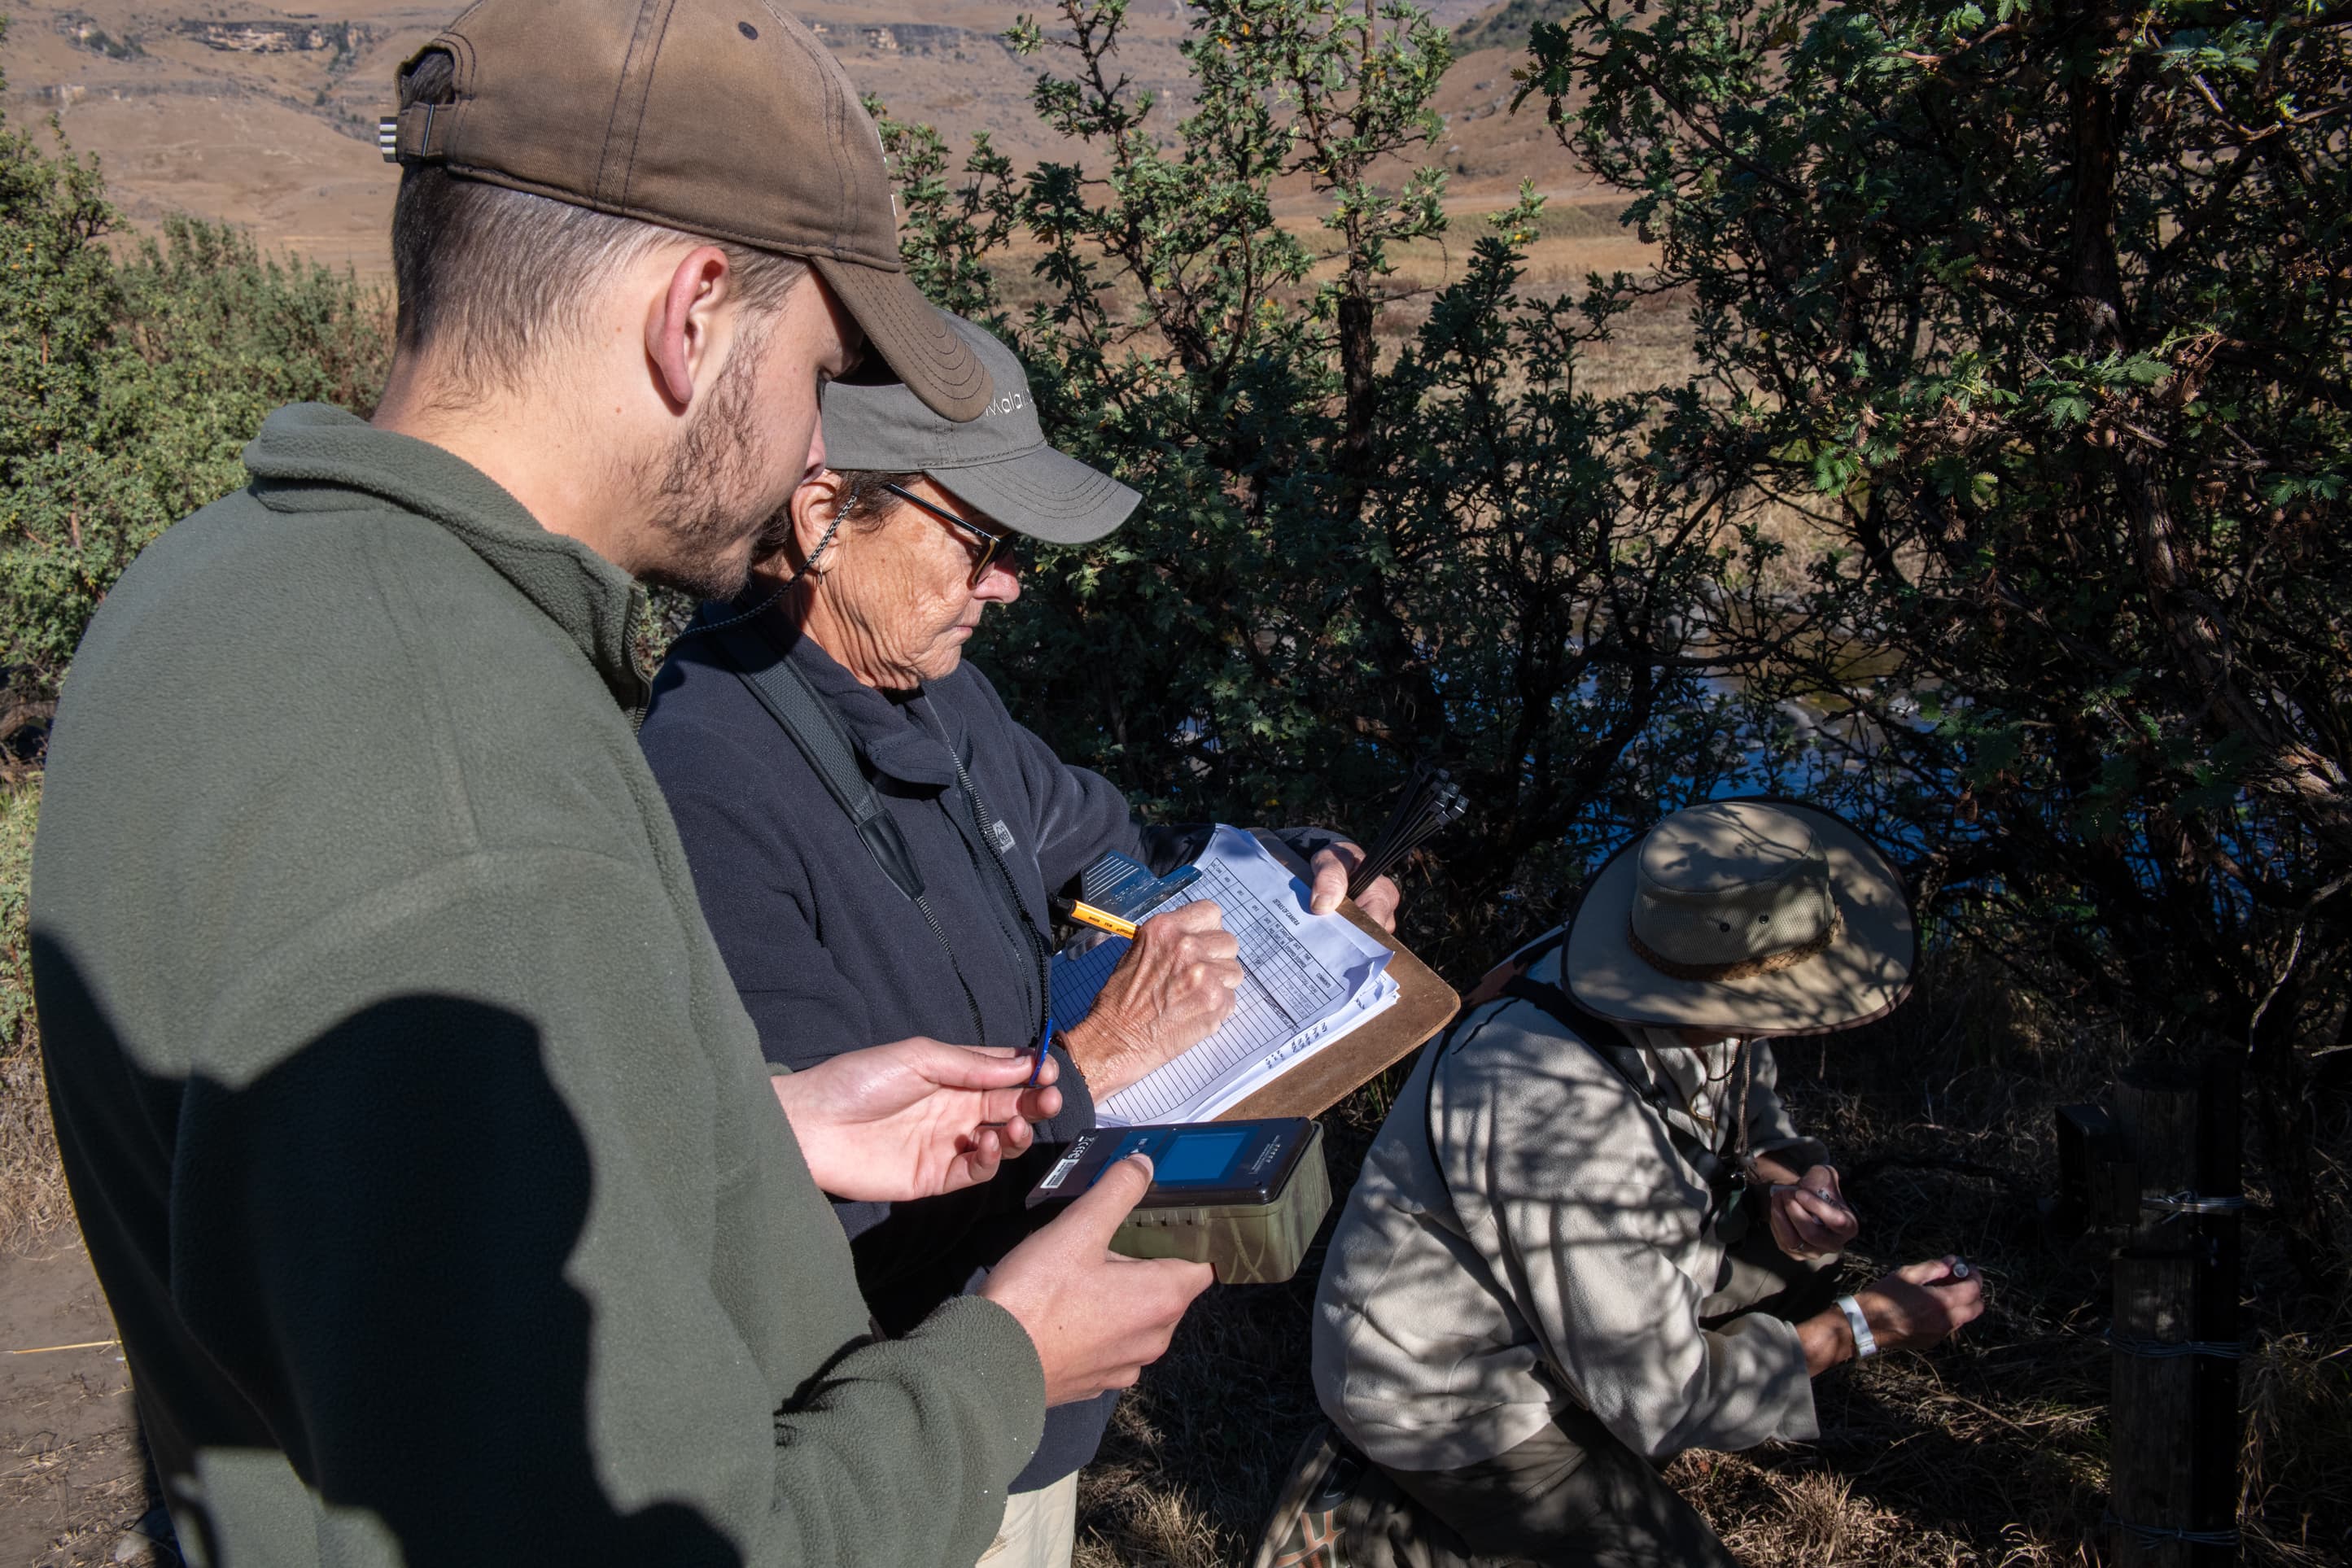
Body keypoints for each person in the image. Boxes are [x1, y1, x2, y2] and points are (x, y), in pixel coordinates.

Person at [28, 8, 1210, 1566]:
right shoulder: (478, 800)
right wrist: (1001, 1361)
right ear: (695, 315)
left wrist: (749, 1119)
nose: (810, 438)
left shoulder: (212, 584)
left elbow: (368, 1224)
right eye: (820, 368)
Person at [636, 313, 1402, 1567]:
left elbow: (1098, 843)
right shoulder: (705, 784)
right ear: (824, 512)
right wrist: (1095, 1054)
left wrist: (1282, 872)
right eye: (980, 541)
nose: (1007, 582)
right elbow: (806, 1209)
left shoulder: (928, 682)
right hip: (889, 1452)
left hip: (1026, 1408)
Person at [1258, 799, 1985, 1568]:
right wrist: (1863, 1327)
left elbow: (1749, 1103)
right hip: (1451, 1386)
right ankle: (1378, 1505)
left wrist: (1791, 1179)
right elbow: (1665, 1396)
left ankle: (1524, 1487)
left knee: (1806, 1261)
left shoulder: (1657, 967)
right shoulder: (1552, 1105)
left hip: (1583, 1291)